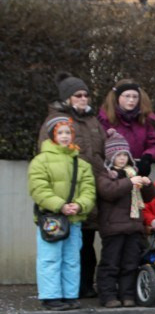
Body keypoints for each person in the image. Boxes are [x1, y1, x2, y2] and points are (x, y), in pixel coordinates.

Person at [38, 72, 105, 298]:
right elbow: (46, 159)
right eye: (78, 95)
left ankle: (83, 286)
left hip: (91, 189)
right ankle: (59, 292)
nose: (84, 98)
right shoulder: (55, 122)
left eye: (86, 95)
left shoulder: (93, 121)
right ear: (67, 98)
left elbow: (101, 151)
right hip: (67, 194)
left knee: (86, 241)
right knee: (62, 247)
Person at [28, 118, 96, 311]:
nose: (65, 136)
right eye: (61, 133)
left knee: (72, 258)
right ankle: (51, 296)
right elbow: (38, 188)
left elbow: (89, 189)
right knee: (50, 257)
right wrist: (60, 205)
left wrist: (80, 205)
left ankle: (69, 294)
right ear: (52, 136)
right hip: (51, 218)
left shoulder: (81, 163)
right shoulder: (41, 161)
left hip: (73, 219)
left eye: (68, 133)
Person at [94, 131, 155, 307]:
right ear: (111, 157)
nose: (122, 158)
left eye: (124, 155)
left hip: (134, 226)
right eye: (118, 155)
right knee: (110, 263)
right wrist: (131, 183)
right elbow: (109, 191)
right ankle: (108, 296)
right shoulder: (106, 175)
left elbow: (149, 197)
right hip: (113, 228)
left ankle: (128, 295)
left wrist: (148, 184)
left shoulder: (132, 173)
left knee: (130, 264)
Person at [98, 79, 155, 177]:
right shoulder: (105, 120)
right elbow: (99, 147)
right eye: (127, 96)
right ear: (117, 97)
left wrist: (147, 157)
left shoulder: (144, 119)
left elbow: (153, 145)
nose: (131, 100)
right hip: (114, 173)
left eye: (135, 96)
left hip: (139, 172)